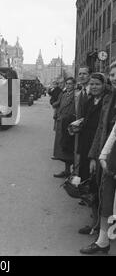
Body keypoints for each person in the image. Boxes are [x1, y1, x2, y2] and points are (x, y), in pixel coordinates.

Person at [80, 62, 116, 255]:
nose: (115, 77)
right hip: (109, 157)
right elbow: (102, 129)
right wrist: (96, 156)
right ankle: (102, 240)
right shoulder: (109, 99)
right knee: (106, 197)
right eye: (112, 74)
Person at [76, 73, 108, 236]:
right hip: (86, 146)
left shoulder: (106, 103)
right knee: (88, 186)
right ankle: (94, 221)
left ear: (104, 85)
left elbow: (102, 130)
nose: (94, 87)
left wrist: (93, 156)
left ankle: (97, 225)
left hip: (97, 150)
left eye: (97, 84)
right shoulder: (89, 101)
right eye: (92, 84)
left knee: (96, 187)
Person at [53, 78, 76, 179]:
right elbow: (58, 104)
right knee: (63, 146)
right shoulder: (63, 94)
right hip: (61, 122)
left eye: (70, 84)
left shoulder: (76, 95)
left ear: (74, 85)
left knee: (70, 147)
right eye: (67, 84)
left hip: (70, 123)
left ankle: (74, 172)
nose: (68, 85)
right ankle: (66, 170)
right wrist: (56, 112)